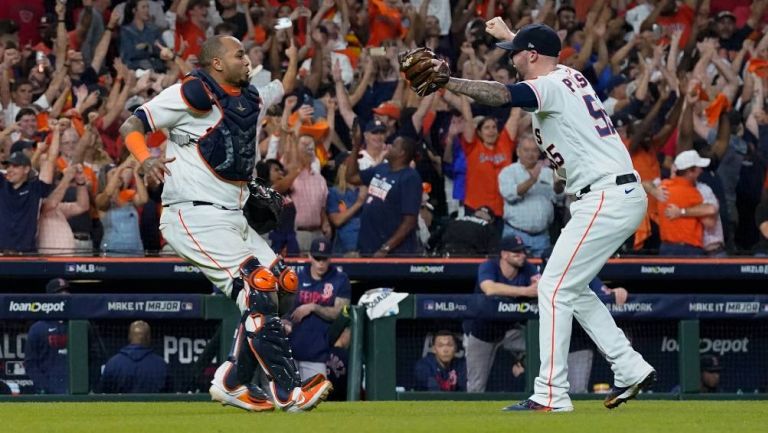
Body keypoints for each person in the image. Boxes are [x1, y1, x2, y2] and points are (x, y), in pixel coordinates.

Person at [421, 20, 655, 411]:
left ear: (529, 55)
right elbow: (537, 50)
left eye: (515, 52)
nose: (511, 57)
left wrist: (448, 82)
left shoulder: (548, 86)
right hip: (610, 193)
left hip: (605, 196)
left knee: (552, 288)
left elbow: (499, 94)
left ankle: (550, 393)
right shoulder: (568, 75)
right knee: (572, 289)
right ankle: (629, 366)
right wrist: (509, 35)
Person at [118, 35, 331, 412]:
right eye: (240, 54)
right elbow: (133, 124)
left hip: (233, 216)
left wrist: (294, 58)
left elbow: (283, 87)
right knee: (257, 285)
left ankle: (233, 381)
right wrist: (145, 158)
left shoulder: (249, 99)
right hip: (193, 213)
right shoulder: (191, 93)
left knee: (282, 287)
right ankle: (288, 390)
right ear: (217, 63)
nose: (247, 60)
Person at [462, 235, 538, 393]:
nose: (522, 255)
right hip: (481, 331)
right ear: (504, 254)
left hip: (509, 330)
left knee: (539, 345)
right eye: (516, 253)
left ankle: (523, 364)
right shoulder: (489, 266)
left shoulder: (527, 267)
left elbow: (540, 286)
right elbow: (489, 289)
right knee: (476, 386)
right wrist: (525, 291)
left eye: (523, 252)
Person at [346, 128, 422, 257]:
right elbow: (351, 177)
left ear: (402, 153)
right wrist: (356, 146)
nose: (388, 146)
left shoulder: (410, 177)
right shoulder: (382, 168)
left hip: (395, 252)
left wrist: (386, 247)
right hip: (369, 245)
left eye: (393, 145)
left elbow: (410, 221)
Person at [286, 238, 351, 381]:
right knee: (288, 399)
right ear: (310, 256)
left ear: (330, 258)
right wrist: (285, 322)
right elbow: (285, 310)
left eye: (324, 259)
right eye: (317, 258)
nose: (321, 263)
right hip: (291, 351)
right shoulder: (296, 277)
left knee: (316, 400)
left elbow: (338, 313)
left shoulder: (340, 279)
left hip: (318, 355)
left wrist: (313, 307)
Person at [498, 135, 564, 257]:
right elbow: (510, 195)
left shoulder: (548, 173)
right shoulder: (508, 172)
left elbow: (558, 198)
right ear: (518, 152)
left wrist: (558, 185)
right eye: (526, 150)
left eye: (534, 150)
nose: (530, 154)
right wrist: (532, 179)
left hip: (542, 236)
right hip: (515, 234)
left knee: (542, 275)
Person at [658, 150, 718, 256]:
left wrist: (680, 212)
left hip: (665, 249)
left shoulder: (663, 187)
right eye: (698, 168)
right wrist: (684, 212)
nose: (701, 170)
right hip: (688, 250)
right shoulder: (692, 193)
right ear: (690, 171)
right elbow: (710, 221)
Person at [0, 149, 55, 254]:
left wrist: (56, 133)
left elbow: (51, 160)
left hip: (26, 255)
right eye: (8, 166)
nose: (10, 170)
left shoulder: (35, 188)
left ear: (26, 169)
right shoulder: (1, 184)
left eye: (15, 166)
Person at [24, 278, 70, 394]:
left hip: (77, 391)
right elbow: (30, 364)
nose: (65, 295)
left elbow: (94, 358)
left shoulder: (82, 324)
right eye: (60, 292)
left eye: (67, 291)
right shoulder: (38, 328)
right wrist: (47, 387)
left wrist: (87, 384)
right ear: (50, 297)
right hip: (48, 394)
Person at [99, 320, 170, 393]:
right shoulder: (161, 365)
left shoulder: (113, 364)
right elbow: (170, 396)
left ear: (129, 336)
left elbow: (104, 393)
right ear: (149, 337)